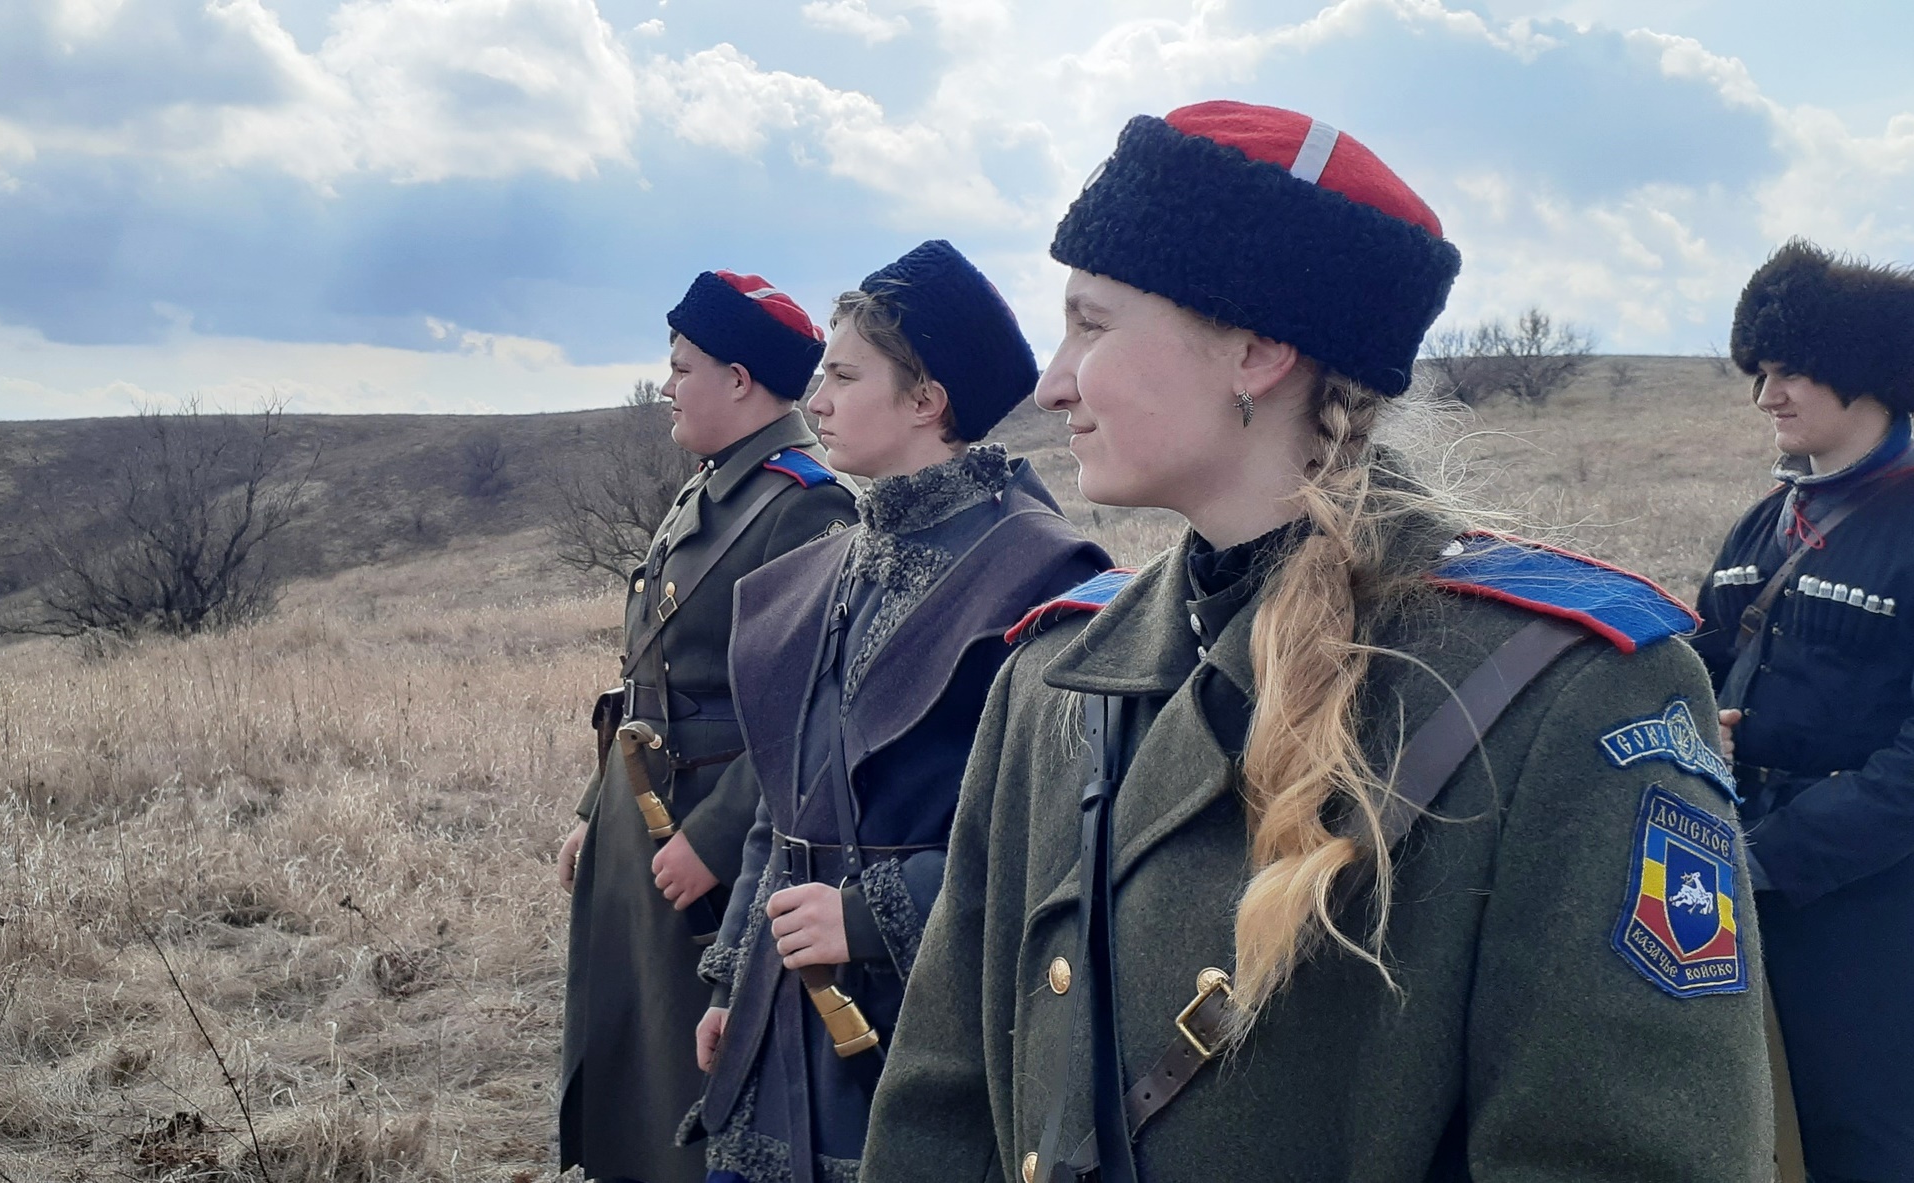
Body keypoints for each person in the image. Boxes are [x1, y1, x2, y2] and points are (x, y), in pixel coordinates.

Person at [861, 101, 1772, 1182]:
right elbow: (941, 1104)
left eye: (1091, 325)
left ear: (1254, 350)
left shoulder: (1568, 695)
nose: (1052, 381)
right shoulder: (1052, 679)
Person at [682, 240, 1111, 1183]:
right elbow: (782, 809)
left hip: (924, 1027)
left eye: (843, 376)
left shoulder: (1038, 570)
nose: (817, 401)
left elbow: (1058, 834)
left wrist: (871, 914)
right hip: (778, 1022)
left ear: (926, 399)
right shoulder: (827, 567)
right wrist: (733, 981)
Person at [560, 269, 857, 1183]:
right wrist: (594, 811)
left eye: (682, 367)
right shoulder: (714, 486)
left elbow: (807, 706)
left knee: (687, 1077)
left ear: (738, 378)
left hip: (705, 842)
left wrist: (718, 838)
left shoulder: (805, 502)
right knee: (633, 1055)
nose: (665, 386)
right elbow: (646, 678)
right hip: (647, 817)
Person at [1692, 240, 1914, 1183]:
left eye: (1787, 371)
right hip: (1731, 874)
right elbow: (1698, 665)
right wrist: (1694, 721)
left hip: (1868, 907)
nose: (1765, 396)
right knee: (1748, 1125)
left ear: (1860, 369)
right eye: (1758, 372)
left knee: (1862, 1134)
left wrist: (1777, 855)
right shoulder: (1761, 523)